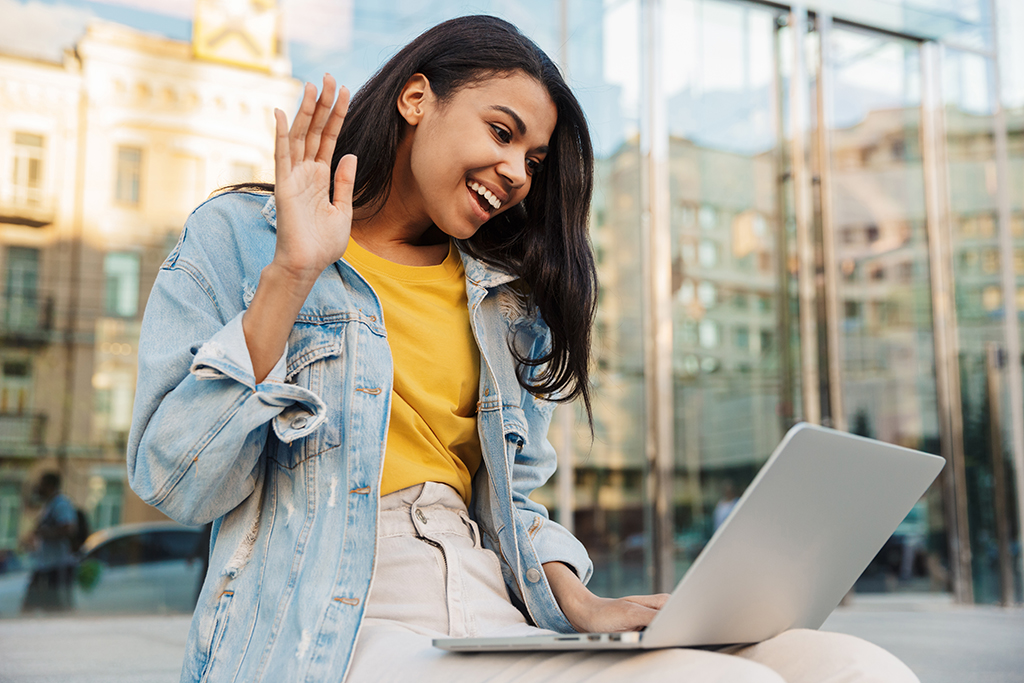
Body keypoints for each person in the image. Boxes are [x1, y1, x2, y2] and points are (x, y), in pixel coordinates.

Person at [128, 15, 920, 683]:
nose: (515, 174)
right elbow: (175, 480)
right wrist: (293, 272)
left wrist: (576, 597)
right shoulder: (242, 238)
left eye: (534, 162)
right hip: (333, 621)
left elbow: (513, 501)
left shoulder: (501, 298)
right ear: (415, 98)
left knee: (854, 665)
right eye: (501, 133)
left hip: (485, 601)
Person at [20, 471, 77, 612]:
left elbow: (68, 528)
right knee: (35, 604)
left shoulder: (61, 504)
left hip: (57, 565)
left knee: (55, 606)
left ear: (49, 486)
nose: (38, 488)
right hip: (45, 564)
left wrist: (45, 533)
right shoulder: (49, 504)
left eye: (41, 484)